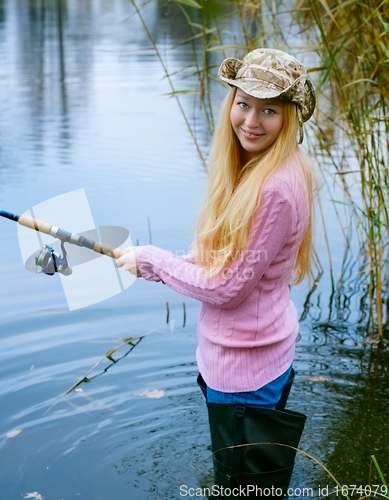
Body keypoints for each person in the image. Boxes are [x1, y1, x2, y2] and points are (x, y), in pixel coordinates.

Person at [116, 48, 316, 496]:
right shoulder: (259, 169)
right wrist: (158, 263)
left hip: (245, 374)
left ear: (289, 118)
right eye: (244, 104)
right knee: (254, 482)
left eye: (269, 110)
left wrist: (154, 260)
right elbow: (230, 265)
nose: (250, 121)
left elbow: (225, 288)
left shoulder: (275, 188)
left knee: (242, 489)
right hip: (258, 357)